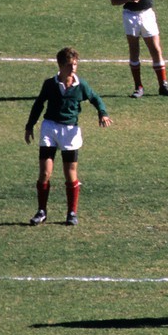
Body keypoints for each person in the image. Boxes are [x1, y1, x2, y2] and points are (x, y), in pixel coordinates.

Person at [25, 47, 112, 225]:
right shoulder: (50, 84)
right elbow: (39, 104)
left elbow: (95, 98)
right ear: (60, 65)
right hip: (49, 128)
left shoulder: (81, 85)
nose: (73, 68)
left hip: (70, 132)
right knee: (45, 173)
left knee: (70, 173)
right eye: (69, 65)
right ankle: (41, 211)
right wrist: (30, 125)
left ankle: (72, 213)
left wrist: (102, 113)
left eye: (75, 64)